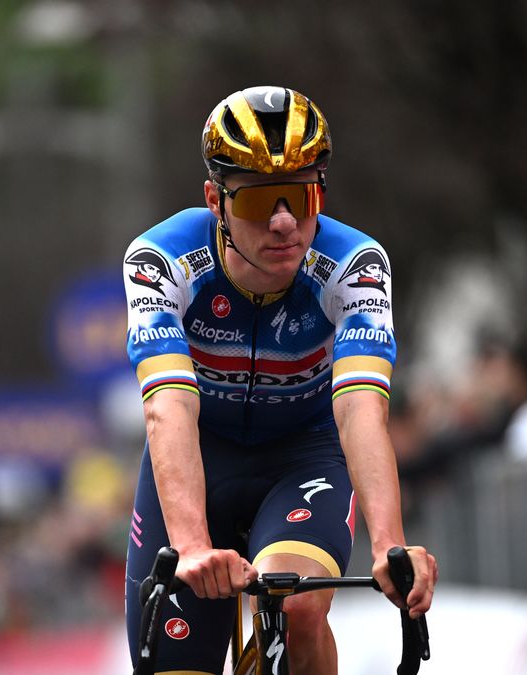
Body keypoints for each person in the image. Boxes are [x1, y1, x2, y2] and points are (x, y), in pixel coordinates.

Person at [122, 85, 437, 675]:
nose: (285, 222)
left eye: (301, 195)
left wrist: (389, 544)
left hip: (304, 457)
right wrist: (191, 547)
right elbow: (168, 409)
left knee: (295, 604)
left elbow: (360, 412)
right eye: (259, 202)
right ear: (215, 201)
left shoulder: (355, 264)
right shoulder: (159, 259)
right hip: (201, 460)